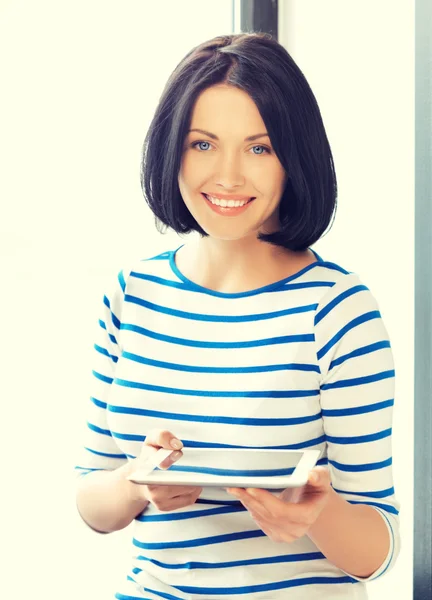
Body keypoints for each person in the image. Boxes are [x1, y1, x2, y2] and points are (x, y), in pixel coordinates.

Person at [75, 32, 400, 600]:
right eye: (203, 145)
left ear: (292, 159)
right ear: (171, 149)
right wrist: (137, 484)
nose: (227, 176)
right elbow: (92, 499)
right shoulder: (132, 292)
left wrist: (314, 517)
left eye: (259, 147)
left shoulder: (338, 310)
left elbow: (379, 548)